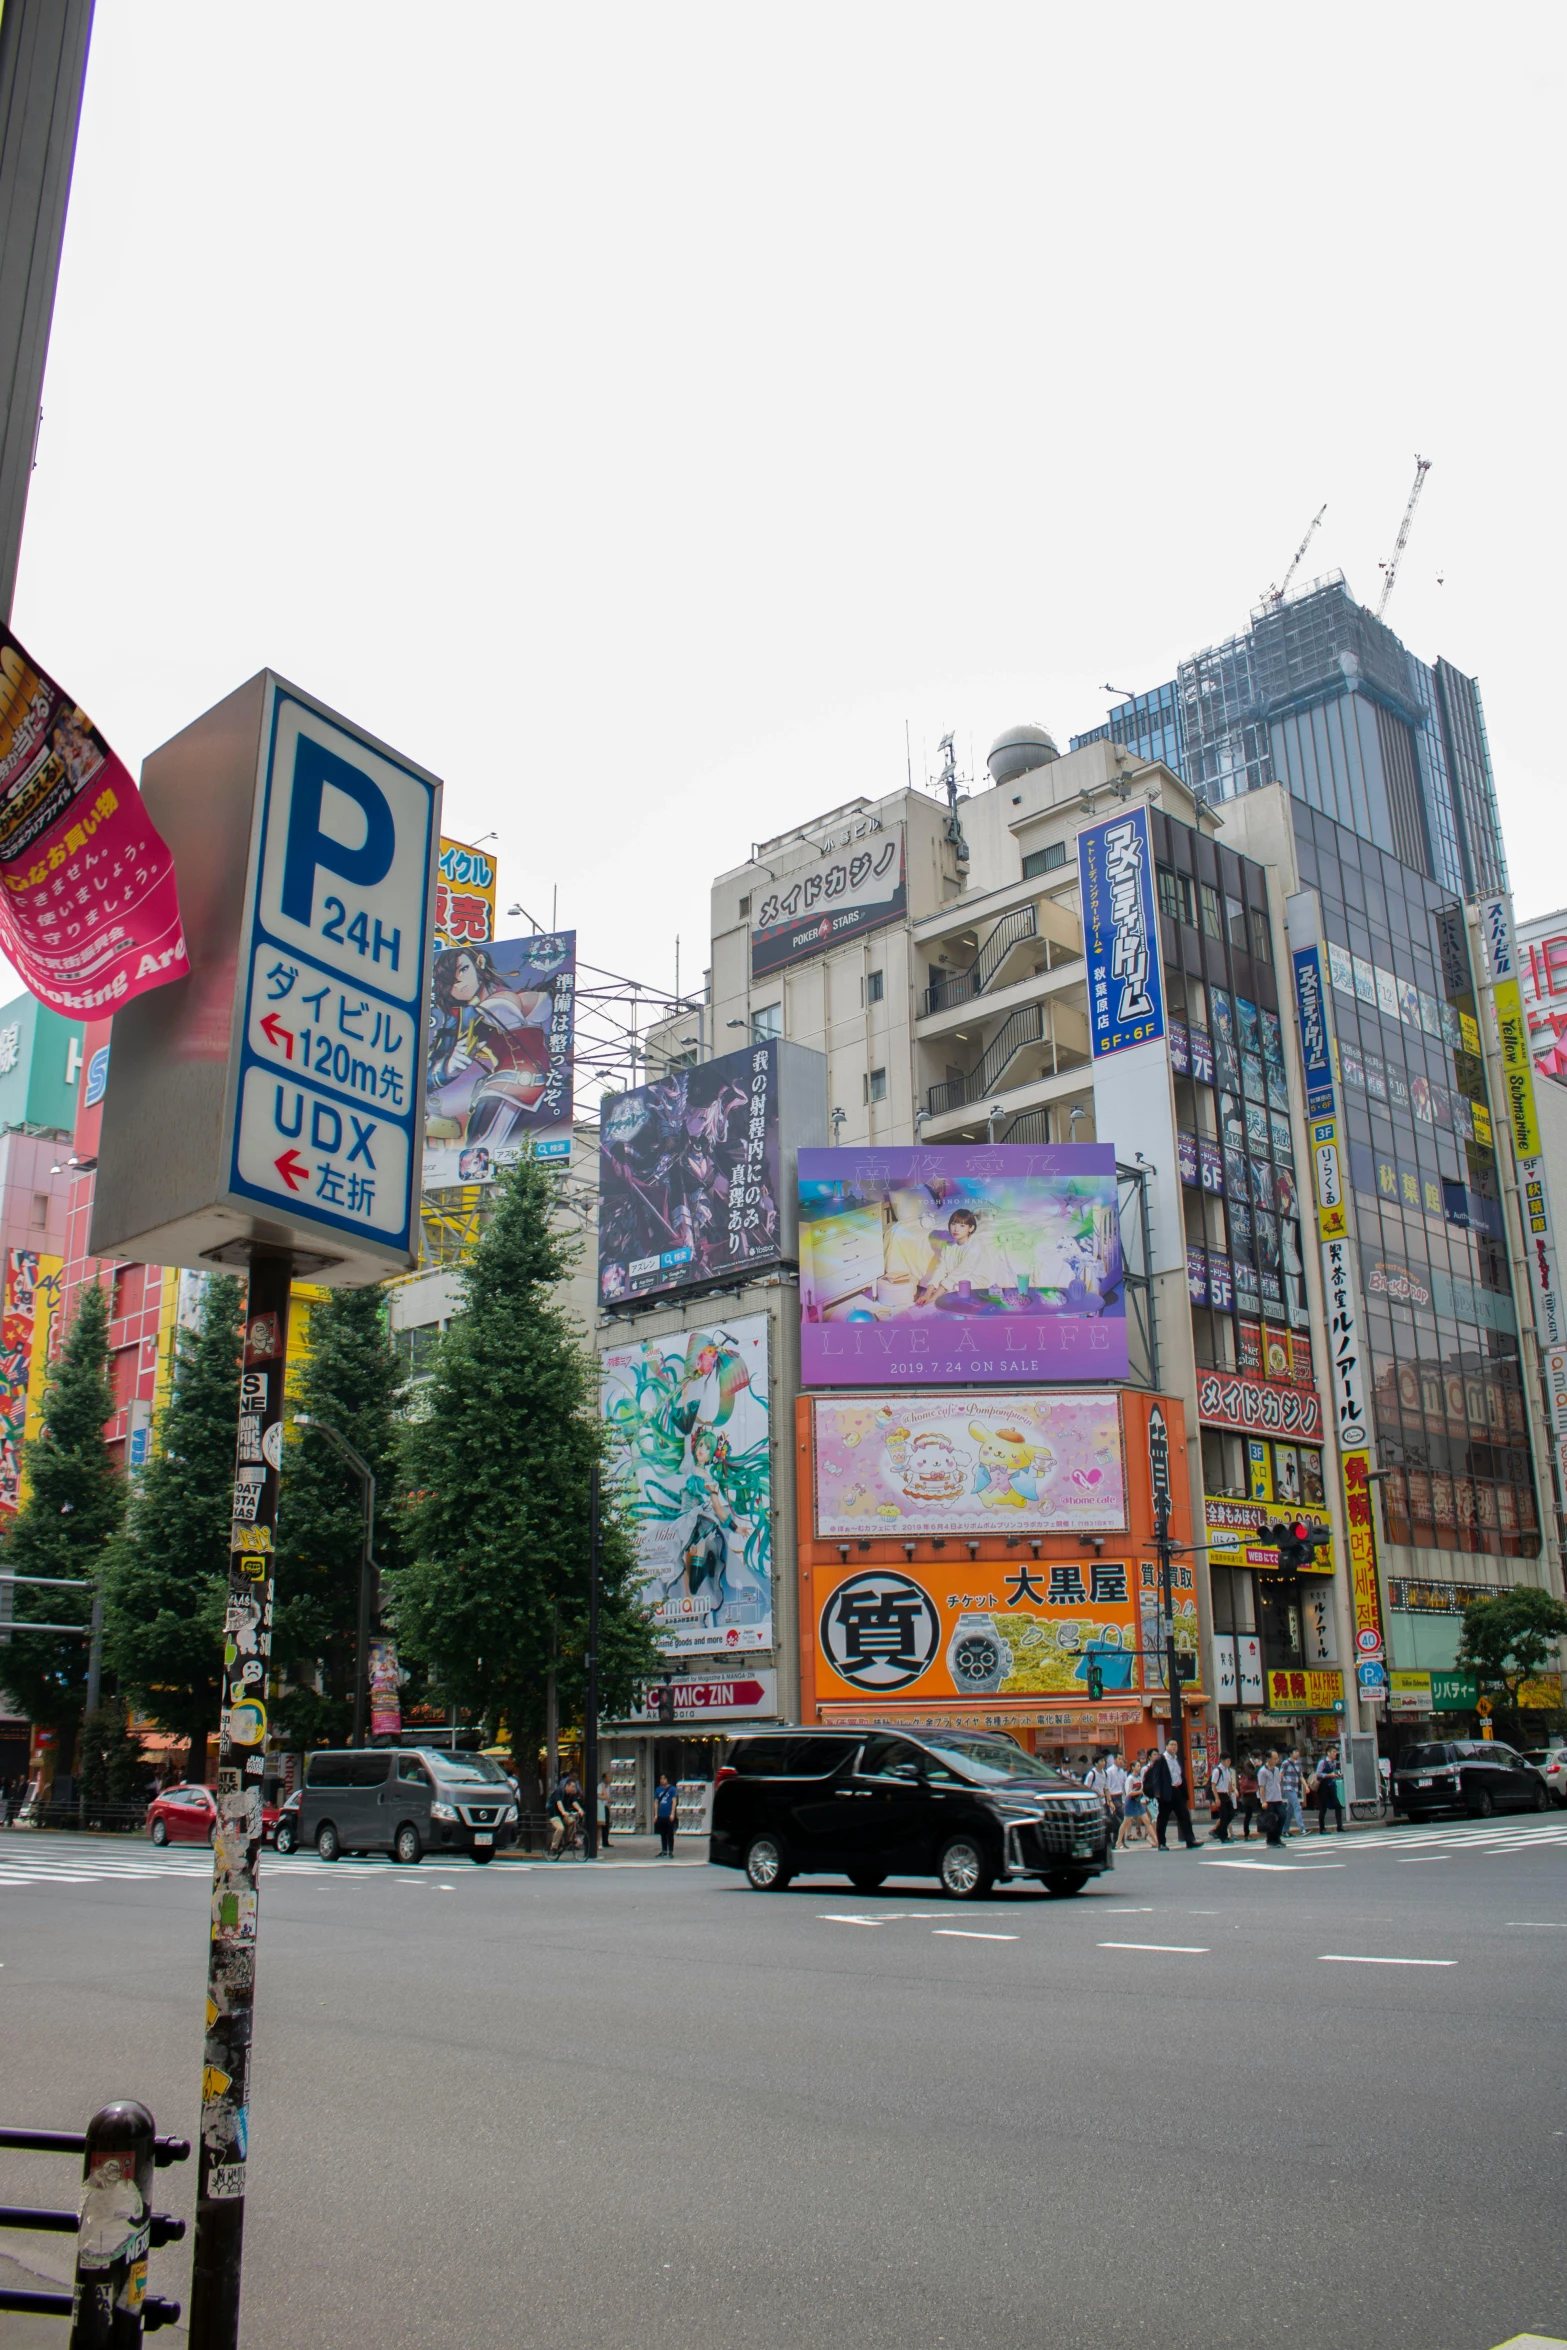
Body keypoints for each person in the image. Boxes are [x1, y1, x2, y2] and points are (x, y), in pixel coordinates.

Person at [1144, 1740, 1200, 1850]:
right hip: (1166, 1791)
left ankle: (1190, 1840)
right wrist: (1157, 1792)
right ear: (1166, 1746)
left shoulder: (1176, 1759)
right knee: (1163, 1818)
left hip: (1177, 1790)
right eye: (1171, 1745)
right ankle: (1161, 1843)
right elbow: (1156, 1777)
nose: (1174, 1747)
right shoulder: (1161, 1759)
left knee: (1184, 1815)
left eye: (1175, 1745)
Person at [1118, 1754, 1154, 1849]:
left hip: (1138, 1801)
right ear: (1133, 1767)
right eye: (1137, 1766)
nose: (1139, 1767)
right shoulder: (1130, 1778)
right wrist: (1139, 1791)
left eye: (1139, 1766)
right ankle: (1119, 1842)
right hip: (1130, 1802)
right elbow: (1128, 1793)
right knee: (1126, 1822)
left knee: (1147, 1821)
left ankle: (1155, 1840)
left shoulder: (1139, 1778)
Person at [548, 1774, 585, 1858]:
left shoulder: (571, 1795)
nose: (574, 1788)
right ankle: (553, 1847)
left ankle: (570, 1840)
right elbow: (559, 1802)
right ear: (567, 1786)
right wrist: (563, 1812)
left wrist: (579, 1809)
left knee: (572, 1821)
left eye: (574, 1787)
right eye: (572, 1786)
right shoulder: (559, 1791)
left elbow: (574, 1802)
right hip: (555, 1814)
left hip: (563, 1815)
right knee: (560, 1828)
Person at [1258, 1750, 1288, 1848]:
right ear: (1268, 1759)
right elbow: (1261, 1786)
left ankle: (1277, 1837)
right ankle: (1271, 1840)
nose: (1276, 1760)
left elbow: (1278, 1783)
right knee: (1271, 1821)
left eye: (1277, 1758)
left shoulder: (1276, 1769)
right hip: (1269, 1799)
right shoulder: (1262, 1771)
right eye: (1274, 1758)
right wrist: (1263, 1801)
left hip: (1277, 1798)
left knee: (1283, 1815)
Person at [1313, 1747, 1346, 1834]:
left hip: (1331, 1786)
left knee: (1337, 1805)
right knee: (1323, 1807)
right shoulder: (1323, 1762)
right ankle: (1322, 1828)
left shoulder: (1334, 1763)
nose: (1335, 1753)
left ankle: (1339, 1826)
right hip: (1323, 1787)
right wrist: (1329, 1775)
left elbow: (1333, 1772)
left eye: (1335, 1752)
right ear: (1328, 1753)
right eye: (1333, 1752)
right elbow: (1318, 1774)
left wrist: (1336, 1775)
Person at [1208, 1752, 1236, 1843]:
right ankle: (1223, 1836)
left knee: (1231, 1814)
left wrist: (1230, 1794)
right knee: (1223, 1816)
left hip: (1226, 1794)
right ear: (1222, 1761)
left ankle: (1218, 1831)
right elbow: (1213, 1785)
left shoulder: (1227, 1770)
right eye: (1227, 1760)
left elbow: (1228, 1783)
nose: (1229, 1762)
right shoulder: (1217, 1770)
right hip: (1219, 1794)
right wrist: (1216, 1798)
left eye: (1229, 1760)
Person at [1236, 1753, 1262, 1839]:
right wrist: (1257, 1767)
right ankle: (1246, 1833)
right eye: (1257, 1758)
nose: (1259, 1760)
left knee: (1257, 1810)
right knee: (1248, 1813)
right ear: (1253, 1757)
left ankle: (1262, 1827)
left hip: (1255, 1790)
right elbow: (1251, 1775)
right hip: (1248, 1791)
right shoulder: (1247, 1764)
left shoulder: (1254, 1764)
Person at [1281, 1746, 1305, 1837]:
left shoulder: (1298, 1764)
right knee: (1297, 1806)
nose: (1297, 1753)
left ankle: (1284, 1830)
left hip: (1294, 1788)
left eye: (1297, 1751)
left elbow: (1300, 1776)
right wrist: (1280, 1786)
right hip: (1288, 1788)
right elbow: (1281, 1775)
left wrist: (1305, 1786)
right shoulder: (1285, 1763)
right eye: (1295, 1751)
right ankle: (1302, 1829)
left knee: (1290, 1810)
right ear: (1290, 1753)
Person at [654, 1773, 679, 1857]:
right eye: (661, 1779)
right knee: (663, 1833)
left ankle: (671, 1851)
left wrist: (672, 1813)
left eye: (664, 1779)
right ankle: (664, 1850)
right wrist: (656, 1815)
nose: (662, 1780)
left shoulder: (672, 1789)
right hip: (661, 1815)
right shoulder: (658, 1790)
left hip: (669, 1815)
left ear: (667, 1779)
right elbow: (656, 1802)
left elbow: (674, 1801)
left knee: (670, 1834)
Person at [1104, 1749, 1128, 1838]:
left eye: (1122, 1759)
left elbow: (1124, 1785)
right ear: (1114, 1760)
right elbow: (1107, 1787)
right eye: (1119, 1759)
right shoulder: (1109, 1771)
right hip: (1113, 1797)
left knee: (1122, 1819)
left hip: (1120, 1796)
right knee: (1118, 1819)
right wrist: (1109, 1800)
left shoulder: (1122, 1772)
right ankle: (1117, 1840)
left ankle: (1121, 1840)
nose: (1121, 1761)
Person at [597, 1774, 613, 1850]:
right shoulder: (600, 1786)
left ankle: (605, 1841)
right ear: (604, 1778)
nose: (610, 1779)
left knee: (606, 1824)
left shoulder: (608, 1787)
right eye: (608, 1777)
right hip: (601, 1807)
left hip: (606, 1806)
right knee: (601, 1825)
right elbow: (604, 1796)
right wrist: (603, 1797)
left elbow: (607, 1797)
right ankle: (601, 1842)